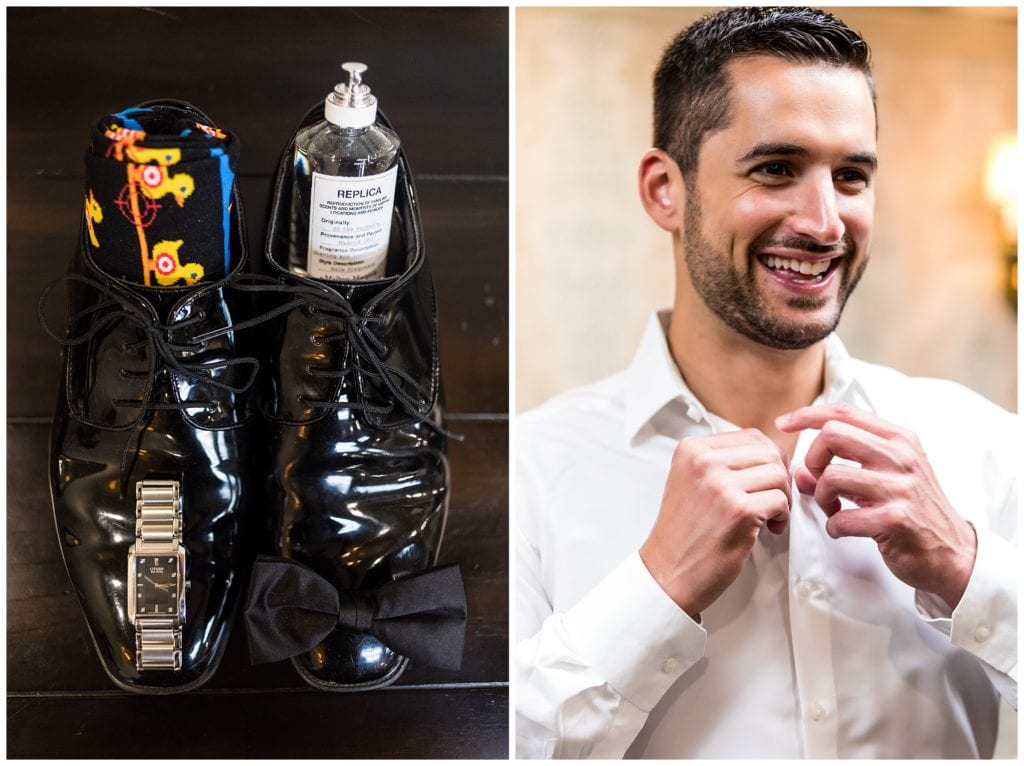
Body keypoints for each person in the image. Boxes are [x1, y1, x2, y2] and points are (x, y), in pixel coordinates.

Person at [516, 7, 1017, 759]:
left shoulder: (988, 446)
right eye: (777, 169)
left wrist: (970, 573)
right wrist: (657, 588)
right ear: (665, 190)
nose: (825, 223)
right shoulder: (531, 470)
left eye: (851, 177)